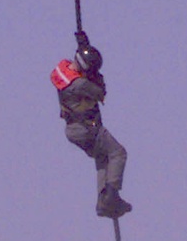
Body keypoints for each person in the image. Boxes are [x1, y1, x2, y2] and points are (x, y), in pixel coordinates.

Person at [52, 36, 131, 218]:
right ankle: (111, 196)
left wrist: (84, 47)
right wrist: (95, 74)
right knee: (118, 153)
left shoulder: (62, 69)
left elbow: (79, 66)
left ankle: (103, 200)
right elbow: (100, 92)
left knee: (103, 156)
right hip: (88, 128)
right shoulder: (81, 84)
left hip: (73, 130)